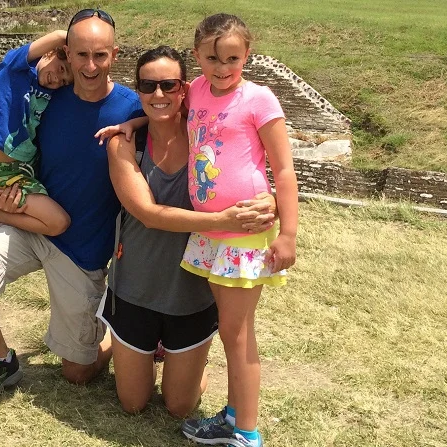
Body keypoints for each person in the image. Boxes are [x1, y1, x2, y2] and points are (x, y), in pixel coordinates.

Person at [0, 8, 143, 408]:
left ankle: (113, 339)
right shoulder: (46, 96)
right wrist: (4, 191)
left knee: (77, 373)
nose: (90, 66)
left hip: (82, 249)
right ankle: (1, 359)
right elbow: (11, 119)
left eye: (100, 55)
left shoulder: (132, 109)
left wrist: (138, 125)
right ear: (67, 53)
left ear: (115, 54)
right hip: (28, 222)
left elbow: (181, 125)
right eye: (81, 54)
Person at [99, 46, 277, 418]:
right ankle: (124, 345)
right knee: (133, 402)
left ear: (185, 88)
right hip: (136, 285)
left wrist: (268, 202)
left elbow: (248, 164)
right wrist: (223, 221)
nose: (158, 94)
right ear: (137, 89)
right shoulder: (124, 143)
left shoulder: (207, 134)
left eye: (168, 85)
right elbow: (148, 214)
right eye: (148, 85)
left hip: (191, 292)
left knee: (180, 406)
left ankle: (186, 362)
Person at [179, 13, 299, 447]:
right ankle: (233, 415)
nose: (222, 67)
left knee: (237, 331)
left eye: (232, 58)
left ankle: (246, 432)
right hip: (213, 232)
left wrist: (287, 233)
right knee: (231, 328)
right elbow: (159, 114)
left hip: (245, 231)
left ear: (247, 54)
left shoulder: (259, 99)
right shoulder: (194, 90)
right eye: (212, 58)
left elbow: (283, 169)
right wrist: (129, 125)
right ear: (197, 56)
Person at [0, 30, 74, 246]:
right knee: (58, 222)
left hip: (30, 167)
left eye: (63, 82)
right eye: (61, 69)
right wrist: (82, 44)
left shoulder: (52, 91)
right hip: (4, 173)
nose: (57, 80)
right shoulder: (16, 68)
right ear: (51, 53)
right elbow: (58, 35)